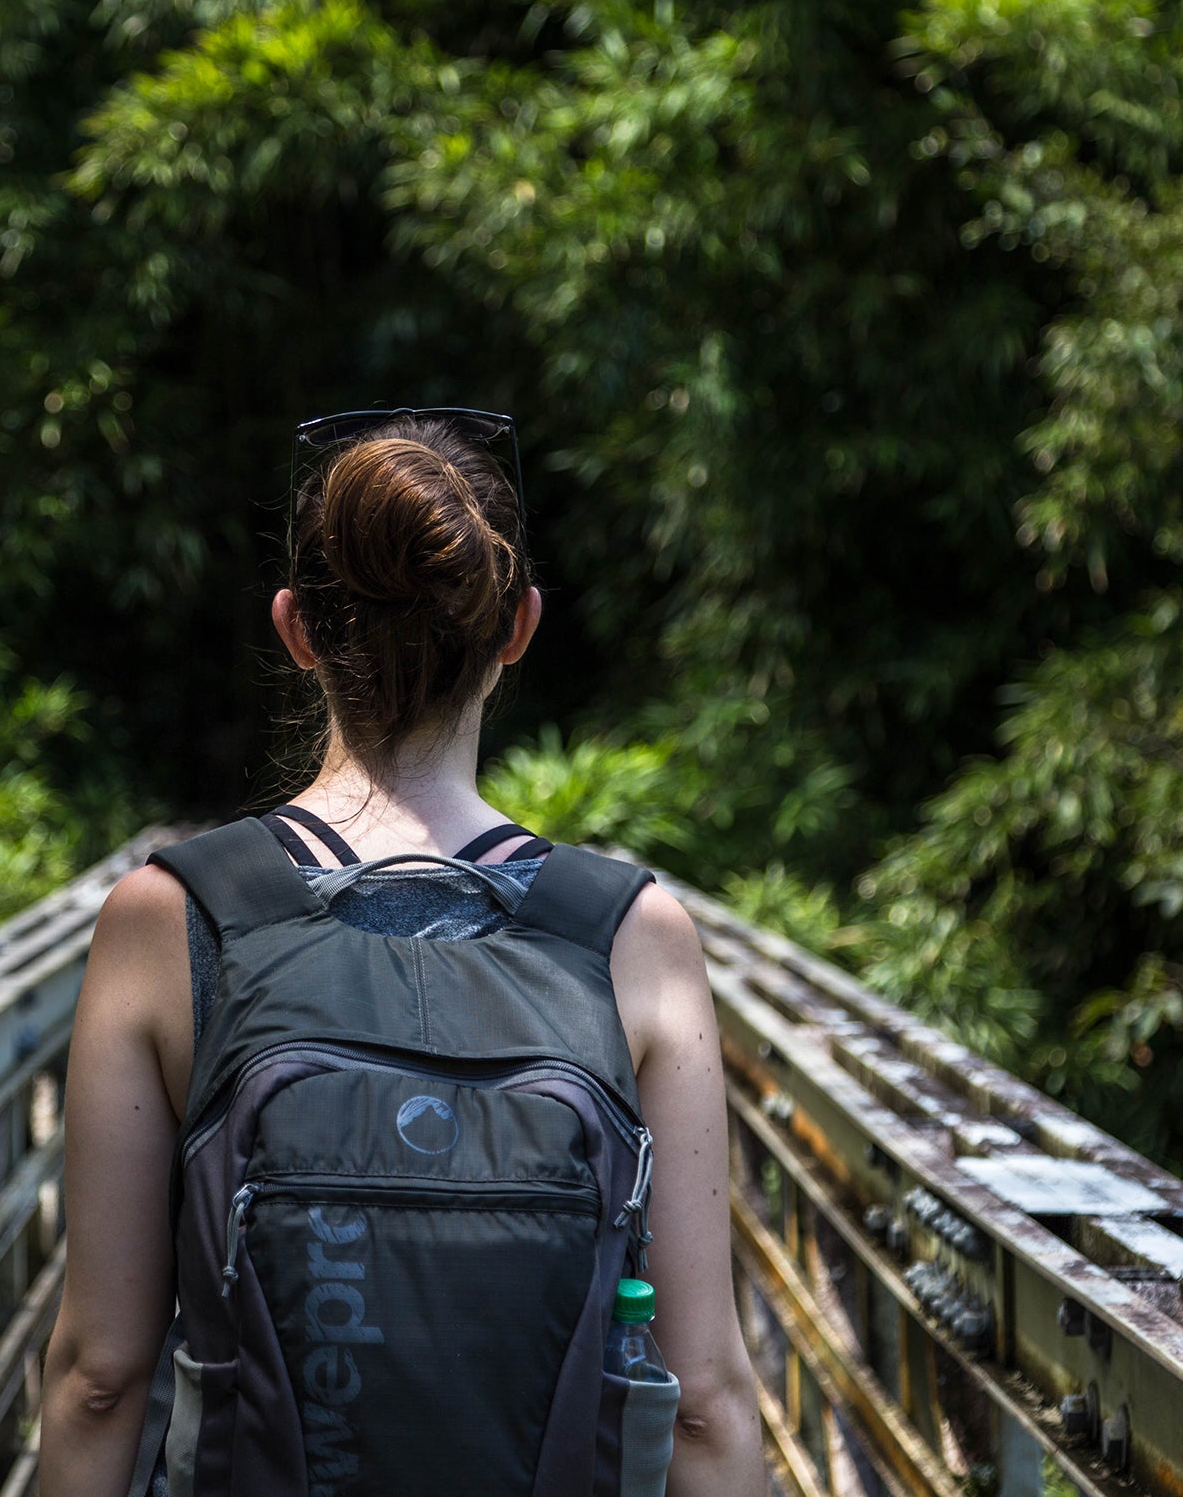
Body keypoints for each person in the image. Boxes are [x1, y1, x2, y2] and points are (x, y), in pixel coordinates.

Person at [39, 410, 767, 1497]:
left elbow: (100, 1374)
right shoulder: (626, 932)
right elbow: (702, 1395)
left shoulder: (173, 916)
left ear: (296, 629)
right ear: (517, 627)